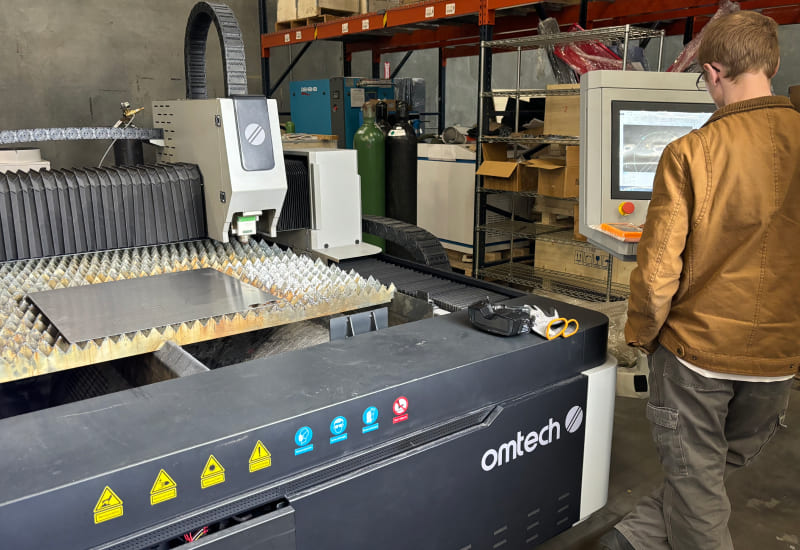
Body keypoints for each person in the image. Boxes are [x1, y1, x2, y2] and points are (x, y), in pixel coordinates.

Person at [600, 10, 800, 550]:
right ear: (772, 64)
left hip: (698, 355)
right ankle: (631, 539)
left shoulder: (690, 152)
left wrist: (638, 335)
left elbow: (659, 265)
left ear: (713, 72)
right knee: (706, 472)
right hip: (777, 357)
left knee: (697, 486)